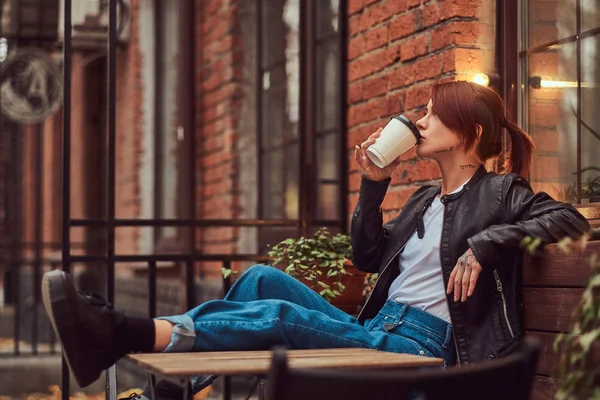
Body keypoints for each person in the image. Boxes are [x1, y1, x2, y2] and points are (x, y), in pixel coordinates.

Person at [42, 81, 590, 397]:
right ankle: (162, 391)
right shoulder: (425, 198)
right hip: (379, 329)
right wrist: (373, 187)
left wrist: (488, 243)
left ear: (468, 132)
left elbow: (570, 220)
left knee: (280, 319)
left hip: (425, 351)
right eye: (422, 112)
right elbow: (366, 256)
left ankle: (119, 332)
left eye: (432, 114)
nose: (420, 122)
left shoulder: (501, 192)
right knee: (258, 279)